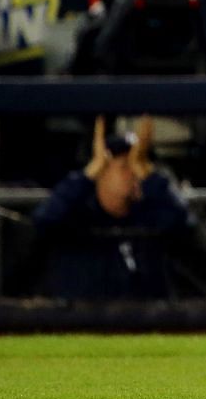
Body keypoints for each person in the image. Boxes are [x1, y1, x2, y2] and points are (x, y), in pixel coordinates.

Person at [32, 119, 194, 299]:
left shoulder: (150, 216)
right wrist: (87, 175)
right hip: (84, 320)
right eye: (125, 166)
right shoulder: (78, 215)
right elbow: (44, 220)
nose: (133, 173)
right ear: (101, 172)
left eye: (137, 165)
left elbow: (185, 223)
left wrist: (148, 175)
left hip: (145, 321)